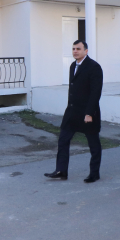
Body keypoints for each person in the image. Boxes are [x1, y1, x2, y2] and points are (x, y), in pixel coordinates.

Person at [44, 40, 103, 182]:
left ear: (86, 51)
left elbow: (95, 93)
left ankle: (94, 173)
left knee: (93, 144)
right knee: (63, 140)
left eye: (78, 48)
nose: (75, 51)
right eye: (73, 49)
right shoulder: (72, 66)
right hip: (72, 112)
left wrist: (89, 113)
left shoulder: (94, 67)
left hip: (87, 113)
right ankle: (61, 171)